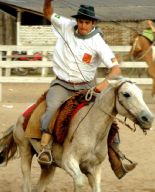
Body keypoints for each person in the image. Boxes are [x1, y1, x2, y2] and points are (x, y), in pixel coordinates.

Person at [40, 1, 136, 179]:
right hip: (62, 84)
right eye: (81, 21)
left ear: (93, 24)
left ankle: (117, 155)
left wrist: (103, 84)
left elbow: (116, 69)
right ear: (77, 21)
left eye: (87, 22)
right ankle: (45, 149)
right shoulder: (65, 25)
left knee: (107, 116)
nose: (83, 25)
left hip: (86, 86)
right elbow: (47, 12)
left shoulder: (98, 42)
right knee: (52, 107)